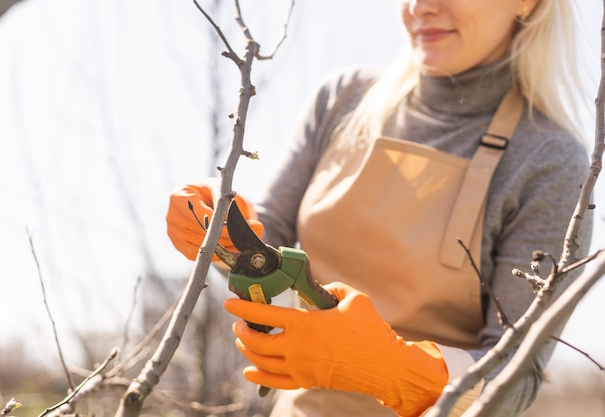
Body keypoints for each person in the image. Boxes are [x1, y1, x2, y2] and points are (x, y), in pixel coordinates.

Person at [166, 0, 594, 416]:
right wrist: (221, 230)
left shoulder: (550, 162)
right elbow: (269, 239)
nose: (420, 6)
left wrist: (396, 369)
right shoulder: (342, 99)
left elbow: (516, 372)